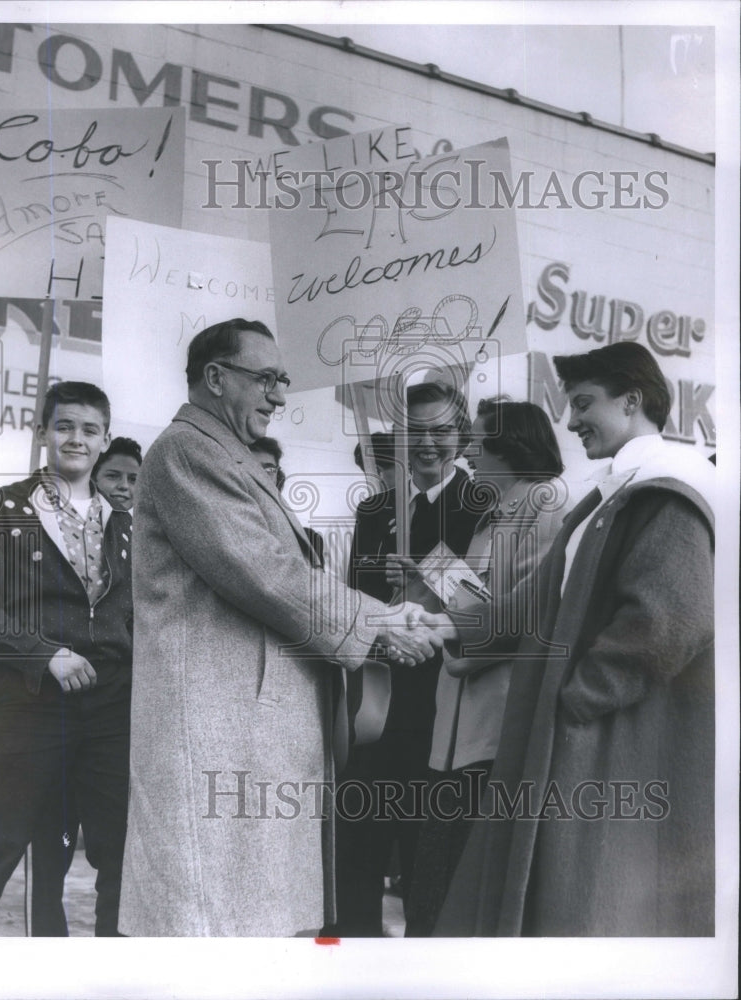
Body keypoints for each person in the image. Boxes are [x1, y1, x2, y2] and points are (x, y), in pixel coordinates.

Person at [117, 317, 441, 937]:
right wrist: (381, 619)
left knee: (245, 913)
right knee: (213, 919)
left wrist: (389, 616)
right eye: (266, 378)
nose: (281, 394)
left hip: (275, 716)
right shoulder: (190, 451)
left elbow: (281, 574)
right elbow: (265, 572)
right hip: (229, 724)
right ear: (215, 378)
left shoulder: (221, 453)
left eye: (282, 379)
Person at [424, 342, 715, 936]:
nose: (571, 420)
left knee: (591, 913)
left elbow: (668, 623)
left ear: (632, 400)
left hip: (612, 745)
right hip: (581, 741)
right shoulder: (608, 492)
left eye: (584, 403)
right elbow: (534, 604)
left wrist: (573, 702)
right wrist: (442, 623)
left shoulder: (667, 485)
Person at [0, 381, 134, 937]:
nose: (77, 438)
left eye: (89, 429)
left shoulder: (127, 526)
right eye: (65, 426)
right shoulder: (5, 508)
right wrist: (44, 654)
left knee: (120, 850)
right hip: (27, 704)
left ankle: (110, 978)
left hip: (111, 710)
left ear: (103, 441)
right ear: (43, 433)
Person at [404, 398, 572, 936]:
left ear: (510, 444)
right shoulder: (490, 520)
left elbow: (526, 615)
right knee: (432, 891)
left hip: (495, 731)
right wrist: (429, 578)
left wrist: (443, 599)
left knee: (459, 898)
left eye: (477, 441)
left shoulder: (545, 506)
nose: (469, 452)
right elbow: (481, 603)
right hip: (454, 738)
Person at [327, 381, 487, 937]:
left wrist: (425, 574)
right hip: (375, 707)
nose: (428, 444)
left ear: (462, 437)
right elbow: (352, 600)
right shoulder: (374, 510)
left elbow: (488, 605)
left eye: (441, 431)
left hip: (446, 714)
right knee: (357, 858)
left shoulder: (484, 502)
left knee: (427, 867)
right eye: (415, 431)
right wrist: (383, 627)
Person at [28, 435, 143, 936]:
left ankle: (110, 961)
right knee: (50, 847)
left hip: (116, 710)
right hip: (54, 706)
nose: (124, 487)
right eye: (114, 475)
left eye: (134, 479)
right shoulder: (53, 532)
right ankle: (49, 964)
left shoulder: (143, 542)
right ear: (94, 475)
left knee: (116, 848)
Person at [249, 436, 324, 564]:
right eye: (253, 468)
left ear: (278, 477)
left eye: (269, 469)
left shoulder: (309, 539)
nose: (261, 476)